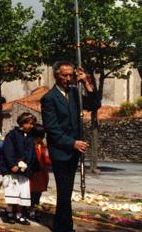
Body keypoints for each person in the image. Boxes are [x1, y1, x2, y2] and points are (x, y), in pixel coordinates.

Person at [40, 61, 100, 232]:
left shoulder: (75, 93)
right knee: (64, 191)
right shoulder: (49, 98)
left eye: (71, 75)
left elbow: (95, 104)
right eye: (64, 75)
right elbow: (52, 128)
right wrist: (72, 143)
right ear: (56, 76)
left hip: (74, 152)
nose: (68, 78)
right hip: (61, 151)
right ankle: (64, 227)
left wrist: (86, 82)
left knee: (66, 192)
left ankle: (63, 225)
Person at [1, 112, 38, 225]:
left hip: (24, 171)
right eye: (30, 124)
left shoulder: (31, 137)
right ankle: (9, 213)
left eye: (33, 124)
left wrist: (27, 164)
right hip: (12, 170)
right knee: (12, 191)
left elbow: (31, 153)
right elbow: (8, 151)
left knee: (22, 193)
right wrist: (13, 164)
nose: (32, 126)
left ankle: (19, 214)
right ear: (23, 123)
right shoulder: (12, 135)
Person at [29, 123, 51, 220]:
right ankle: (31, 209)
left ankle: (34, 208)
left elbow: (46, 158)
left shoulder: (42, 145)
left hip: (42, 174)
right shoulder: (31, 145)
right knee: (32, 193)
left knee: (38, 193)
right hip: (34, 173)